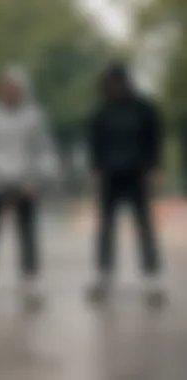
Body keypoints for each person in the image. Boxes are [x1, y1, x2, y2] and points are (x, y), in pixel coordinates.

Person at [0, 66, 58, 311]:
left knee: (27, 233)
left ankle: (30, 280)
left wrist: (36, 180)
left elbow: (43, 151)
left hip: (24, 182)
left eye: (12, 87)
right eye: (4, 87)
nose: (8, 91)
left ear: (21, 89)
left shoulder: (34, 117)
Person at [88, 63, 164, 305]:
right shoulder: (101, 111)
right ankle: (104, 275)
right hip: (110, 174)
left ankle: (151, 277)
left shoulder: (144, 109)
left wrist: (153, 168)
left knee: (144, 226)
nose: (114, 88)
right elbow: (95, 144)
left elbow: (154, 139)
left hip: (137, 173)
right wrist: (95, 172)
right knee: (106, 228)